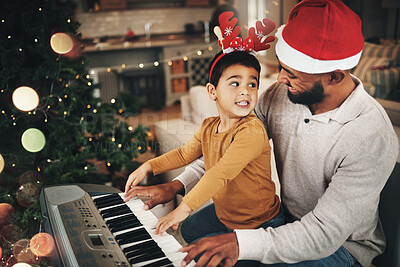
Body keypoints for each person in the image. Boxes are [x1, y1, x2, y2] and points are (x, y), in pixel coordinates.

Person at [125, 0, 399, 266]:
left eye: (292, 74)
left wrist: (242, 244)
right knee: (193, 231)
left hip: (341, 246)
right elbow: (228, 150)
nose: (279, 79)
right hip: (284, 215)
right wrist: (178, 184)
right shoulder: (282, 95)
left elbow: (323, 234)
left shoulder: (371, 135)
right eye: (281, 67)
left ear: (335, 76)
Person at [125, 49, 283, 240]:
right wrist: (149, 166)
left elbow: (220, 174)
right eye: (235, 83)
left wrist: (183, 208)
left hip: (260, 221)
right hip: (226, 212)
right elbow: (184, 154)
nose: (245, 91)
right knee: (188, 230)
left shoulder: (252, 130)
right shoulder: (209, 126)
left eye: (252, 84)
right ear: (212, 91)